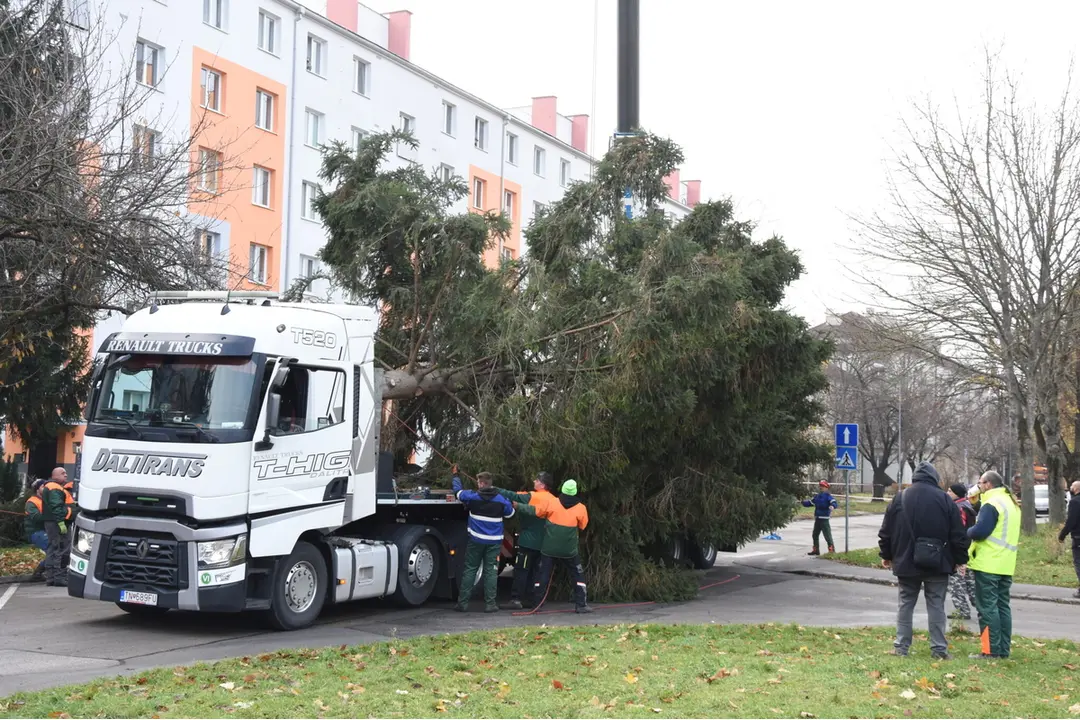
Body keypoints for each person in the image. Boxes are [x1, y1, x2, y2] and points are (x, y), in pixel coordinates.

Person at [877, 461, 969, 659]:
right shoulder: (945, 501)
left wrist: (886, 555)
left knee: (905, 604)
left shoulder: (899, 499)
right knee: (936, 605)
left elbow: (886, 532)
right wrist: (960, 559)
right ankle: (939, 650)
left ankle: (901, 648)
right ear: (935, 478)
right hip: (938, 562)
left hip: (905, 561)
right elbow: (958, 535)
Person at [515, 479, 592, 613]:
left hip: (549, 548)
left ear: (562, 490)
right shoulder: (581, 508)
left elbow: (535, 511)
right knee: (577, 574)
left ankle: (536, 604)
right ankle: (581, 605)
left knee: (542, 575)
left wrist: (518, 506)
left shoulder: (552, 503)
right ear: (575, 492)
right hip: (569, 550)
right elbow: (583, 525)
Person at [967, 470, 1020, 659]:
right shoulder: (1010, 502)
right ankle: (1003, 650)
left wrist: (967, 531)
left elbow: (981, 531)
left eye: (980, 483)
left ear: (988, 484)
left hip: (988, 563)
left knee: (987, 609)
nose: (978, 486)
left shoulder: (992, 503)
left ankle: (990, 651)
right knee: (1002, 607)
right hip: (1006, 563)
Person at [452, 467, 515, 613]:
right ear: (491, 484)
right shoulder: (501, 500)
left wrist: (455, 475)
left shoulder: (472, 497)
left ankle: (462, 603)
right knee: (491, 571)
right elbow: (510, 513)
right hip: (494, 542)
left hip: (476, 540)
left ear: (480, 483)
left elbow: (458, 492)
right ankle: (490, 604)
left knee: (470, 570)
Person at [494, 471, 558, 609]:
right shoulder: (554, 500)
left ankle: (516, 599)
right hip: (545, 543)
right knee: (537, 572)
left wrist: (495, 489)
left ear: (542, 484)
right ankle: (534, 599)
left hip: (527, 541)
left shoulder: (531, 496)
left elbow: (512, 495)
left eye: (536, 480)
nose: (534, 481)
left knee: (521, 570)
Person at [946, 483, 978, 620]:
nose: (947, 493)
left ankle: (962, 610)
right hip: (970, 549)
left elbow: (958, 530)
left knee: (956, 583)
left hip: (959, 550)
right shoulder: (968, 506)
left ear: (956, 493)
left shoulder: (957, 508)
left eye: (949, 491)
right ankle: (982, 608)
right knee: (971, 583)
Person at [41, 467, 74, 588]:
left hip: (52, 522)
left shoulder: (52, 487)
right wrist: (61, 522)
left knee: (52, 548)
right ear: (54, 476)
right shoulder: (55, 488)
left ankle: (51, 577)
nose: (66, 475)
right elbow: (57, 506)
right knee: (62, 549)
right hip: (58, 522)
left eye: (65, 473)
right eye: (62, 473)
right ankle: (59, 577)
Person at [1057, 480, 1080, 599]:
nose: (1070, 487)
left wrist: (1062, 535)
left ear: (1076, 489)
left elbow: (1071, 521)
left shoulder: (1075, 502)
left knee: (1078, 563)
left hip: (1078, 537)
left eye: (1072, 486)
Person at [803, 481, 839, 556]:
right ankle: (816, 550)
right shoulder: (817, 496)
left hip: (824, 519)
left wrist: (832, 506)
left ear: (826, 487)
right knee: (815, 535)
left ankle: (831, 549)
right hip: (817, 519)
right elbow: (810, 503)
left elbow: (834, 503)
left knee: (827, 535)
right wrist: (802, 502)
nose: (821, 487)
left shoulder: (828, 496)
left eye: (822, 486)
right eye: (820, 486)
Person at [23, 479, 48, 581]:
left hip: (45, 531)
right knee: (53, 550)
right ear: (37, 489)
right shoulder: (31, 502)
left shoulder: (46, 501)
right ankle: (38, 573)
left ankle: (42, 572)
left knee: (57, 550)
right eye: (43, 486)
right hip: (36, 532)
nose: (46, 488)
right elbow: (36, 517)